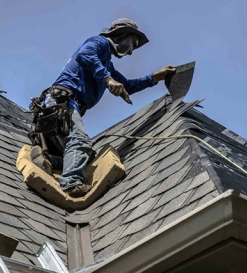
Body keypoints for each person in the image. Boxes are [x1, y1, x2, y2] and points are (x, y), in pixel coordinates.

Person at [31, 18, 176, 198]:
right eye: (133, 44)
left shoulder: (106, 63)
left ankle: (47, 160)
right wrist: (107, 79)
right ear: (121, 35)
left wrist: (155, 77)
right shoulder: (99, 43)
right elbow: (85, 54)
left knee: (84, 158)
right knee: (80, 142)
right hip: (64, 102)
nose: (131, 52)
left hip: (56, 108)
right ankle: (71, 184)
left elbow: (127, 85)